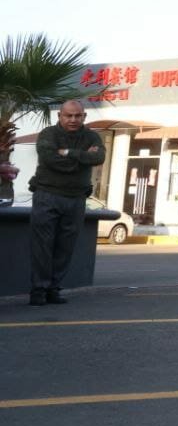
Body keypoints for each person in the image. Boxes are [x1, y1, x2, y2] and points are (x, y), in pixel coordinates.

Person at [28, 100, 104, 306]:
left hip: (76, 198)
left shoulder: (92, 136)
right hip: (47, 195)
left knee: (65, 246)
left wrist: (68, 153)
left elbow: (99, 157)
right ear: (59, 116)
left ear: (84, 116)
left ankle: (54, 289)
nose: (73, 119)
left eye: (77, 115)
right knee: (42, 245)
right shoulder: (48, 134)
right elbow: (50, 160)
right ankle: (39, 290)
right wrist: (82, 159)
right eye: (68, 115)